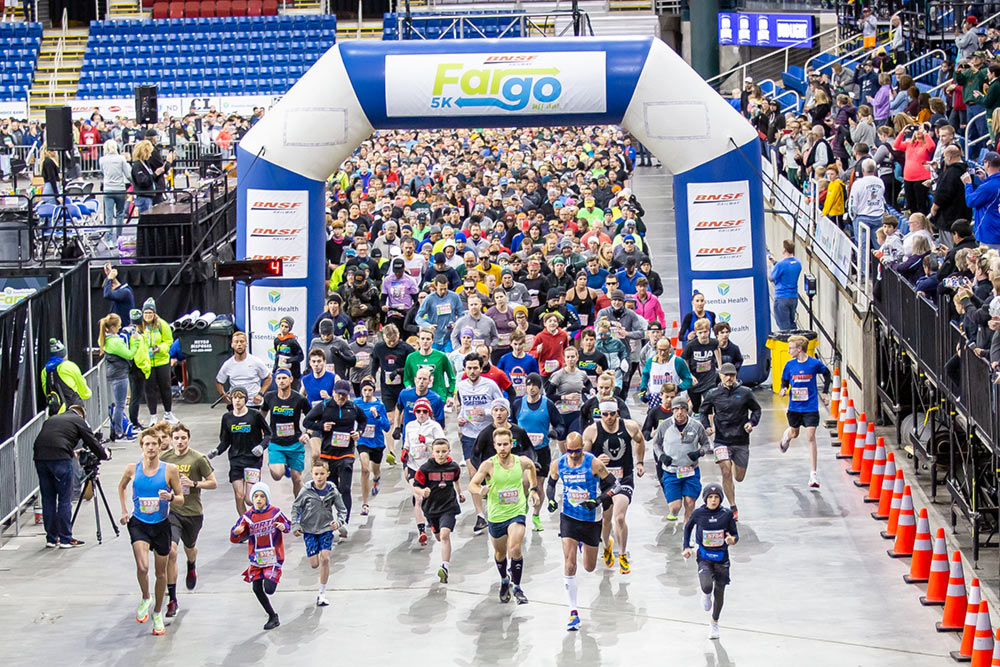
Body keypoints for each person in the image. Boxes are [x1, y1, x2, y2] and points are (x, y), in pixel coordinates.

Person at [545, 431, 616, 631]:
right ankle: (573, 612)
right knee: (569, 565)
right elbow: (550, 485)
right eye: (570, 451)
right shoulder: (558, 464)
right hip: (568, 517)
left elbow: (615, 486)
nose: (574, 455)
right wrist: (550, 500)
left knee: (590, 568)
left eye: (577, 451)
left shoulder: (593, 463)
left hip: (591, 520)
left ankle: (604, 543)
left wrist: (598, 500)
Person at [117, 428, 185, 636]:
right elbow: (121, 487)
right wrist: (124, 510)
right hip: (139, 523)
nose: (150, 448)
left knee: (160, 572)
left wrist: (170, 498)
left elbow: (181, 497)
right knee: (143, 567)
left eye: (154, 444)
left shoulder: (169, 470)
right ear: (141, 447)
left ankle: (157, 612)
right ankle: (146, 596)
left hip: (161, 525)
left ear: (160, 446)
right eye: (146, 444)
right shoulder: (132, 469)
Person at [468, 428, 540, 605]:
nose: (502, 448)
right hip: (496, 515)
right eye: (499, 445)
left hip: (516, 511)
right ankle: (504, 579)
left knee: (515, 548)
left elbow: (532, 467)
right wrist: (481, 490)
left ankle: (517, 587)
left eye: (505, 444)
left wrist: (533, 489)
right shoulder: (488, 465)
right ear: (494, 445)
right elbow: (472, 485)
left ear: (511, 444)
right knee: (500, 553)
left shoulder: (521, 461)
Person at [160, 423, 217, 618]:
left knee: (190, 548)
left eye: (183, 438)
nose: (180, 442)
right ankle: (173, 599)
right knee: (171, 551)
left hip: (193, 512)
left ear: (188, 439)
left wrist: (194, 483)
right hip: (173, 511)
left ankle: (192, 565)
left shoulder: (198, 458)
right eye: (176, 438)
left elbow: (213, 482)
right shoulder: (165, 459)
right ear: (171, 439)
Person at [582, 399, 645, 574]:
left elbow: (640, 441)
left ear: (617, 412)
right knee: (606, 519)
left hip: (624, 479)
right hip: (603, 481)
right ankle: (607, 545)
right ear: (600, 414)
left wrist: (639, 462)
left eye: (612, 414)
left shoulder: (629, 426)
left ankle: (623, 555)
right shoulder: (592, 431)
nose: (609, 418)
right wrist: (595, 461)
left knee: (619, 517)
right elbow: (584, 459)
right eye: (605, 414)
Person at [33, 405, 109, 548]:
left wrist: (70, 451)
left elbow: (55, 438)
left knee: (48, 498)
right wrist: (104, 455)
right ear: (82, 415)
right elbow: (92, 441)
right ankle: (65, 539)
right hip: (60, 459)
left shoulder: (53, 419)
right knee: (64, 499)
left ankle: (51, 538)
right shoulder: (78, 420)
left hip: (40, 458)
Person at [699, 364, 761, 521]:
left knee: (739, 477)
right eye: (726, 375)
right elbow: (703, 411)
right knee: (725, 470)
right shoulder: (713, 394)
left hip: (740, 440)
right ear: (720, 375)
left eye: (732, 375)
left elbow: (756, 409)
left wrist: (751, 423)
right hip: (721, 440)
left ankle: (734, 468)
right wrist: (707, 426)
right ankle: (733, 506)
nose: (729, 378)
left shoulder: (745, 392)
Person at [302, 379, 367, 527]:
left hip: (346, 454)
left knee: (345, 488)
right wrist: (321, 426)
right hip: (327, 455)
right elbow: (306, 422)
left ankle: (344, 521)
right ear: (333, 393)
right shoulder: (324, 406)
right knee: (330, 489)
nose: (341, 398)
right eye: (339, 394)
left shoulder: (353, 408)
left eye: (344, 395)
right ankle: (328, 520)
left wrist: (359, 432)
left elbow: (363, 421)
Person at [230, 482, 290, 630]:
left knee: (269, 589)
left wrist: (284, 527)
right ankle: (272, 616)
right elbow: (234, 536)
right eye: (256, 496)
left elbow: (288, 524)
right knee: (257, 588)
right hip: (257, 560)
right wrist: (236, 533)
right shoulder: (247, 517)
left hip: (273, 558)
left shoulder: (275, 512)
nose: (258, 499)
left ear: (267, 499)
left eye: (262, 496)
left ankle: (274, 574)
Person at [682, 483, 739, 640]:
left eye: (716, 497)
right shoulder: (699, 513)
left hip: (722, 558)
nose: (713, 500)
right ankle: (705, 594)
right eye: (710, 497)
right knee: (707, 587)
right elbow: (688, 528)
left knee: (720, 591)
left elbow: (735, 535)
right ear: (705, 499)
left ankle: (714, 622)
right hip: (705, 557)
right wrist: (687, 546)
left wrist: (731, 540)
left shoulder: (726, 514)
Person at [456, 353, 505, 532]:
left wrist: (485, 412)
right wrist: (461, 419)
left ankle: (495, 509)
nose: (472, 371)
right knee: (473, 473)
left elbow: (502, 403)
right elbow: (462, 408)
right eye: (469, 368)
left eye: (475, 367)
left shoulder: (490, 385)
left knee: (492, 473)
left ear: (481, 367)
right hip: (469, 435)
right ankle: (480, 516)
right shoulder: (461, 386)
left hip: (488, 434)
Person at [778, 334, 833, 489]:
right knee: (795, 433)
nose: (789, 351)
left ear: (799, 349)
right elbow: (785, 380)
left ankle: (813, 475)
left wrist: (825, 392)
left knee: (810, 436)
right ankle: (786, 436)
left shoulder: (814, 364)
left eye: (791, 348)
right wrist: (783, 389)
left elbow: (826, 374)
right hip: (795, 407)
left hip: (810, 407)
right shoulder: (790, 365)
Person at [291, 459, 347, 607]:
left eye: (322, 474)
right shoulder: (306, 490)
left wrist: (339, 522)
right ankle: (313, 557)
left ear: (328, 474)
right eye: (316, 474)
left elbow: (342, 509)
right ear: (312, 475)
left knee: (326, 558)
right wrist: (296, 525)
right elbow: (296, 507)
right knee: (314, 564)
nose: (319, 477)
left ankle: (322, 593)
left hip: (326, 529)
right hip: (309, 530)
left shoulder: (332, 490)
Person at [208, 387, 271, 515]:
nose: (237, 400)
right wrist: (217, 451)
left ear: (246, 399)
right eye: (235, 397)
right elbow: (225, 441)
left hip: (252, 460)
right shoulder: (227, 418)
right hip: (236, 460)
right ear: (231, 399)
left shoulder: (255, 415)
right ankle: (244, 524)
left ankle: (261, 517)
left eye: (240, 397)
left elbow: (269, 434)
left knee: (249, 499)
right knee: (239, 496)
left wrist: (261, 446)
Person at [413, 438, 465, 583]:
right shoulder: (425, 469)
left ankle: (445, 566)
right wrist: (422, 492)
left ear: (449, 451)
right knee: (437, 536)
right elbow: (416, 485)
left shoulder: (453, 467)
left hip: (448, 506)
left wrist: (460, 493)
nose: (441, 454)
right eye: (438, 452)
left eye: (444, 451)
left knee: (444, 535)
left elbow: (456, 480)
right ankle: (444, 562)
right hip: (431, 508)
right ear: (432, 452)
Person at [652, 397, 710, 522]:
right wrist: (661, 456)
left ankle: (687, 532)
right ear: (672, 410)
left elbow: (706, 444)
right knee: (675, 507)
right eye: (676, 409)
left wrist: (699, 453)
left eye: (683, 409)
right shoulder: (664, 425)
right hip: (671, 471)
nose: (680, 412)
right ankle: (676, 502)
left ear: (687, 410)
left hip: (691, 470)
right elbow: (656, 443)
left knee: (690, 503)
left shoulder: (696, 426)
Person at [403, 397, 446, 544]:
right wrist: (404, 450)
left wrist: (427, 441)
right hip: (414, 466)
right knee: (419, 497)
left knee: (430, 497)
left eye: (424, 411)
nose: (421, 414)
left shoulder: (434, 426)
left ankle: (432, 521)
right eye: (418, 411)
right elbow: (407, 443)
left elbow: (443, 444)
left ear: (429, 412)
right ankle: (421, 531)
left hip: (429, 466)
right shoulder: (409, 426)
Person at [262, 369, 311, 497]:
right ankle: (280, 465)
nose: (281, 381)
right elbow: (260, 417)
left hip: (295, 443)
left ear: (290, 379)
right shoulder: (269, 397)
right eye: (278, 378)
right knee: (277, 475)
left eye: (284, 378)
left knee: (297, 478)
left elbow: (312, 418)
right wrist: (263, 433)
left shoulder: (299, 399)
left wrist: (308, 433)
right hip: (276, 443)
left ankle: (298, 507)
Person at [546, 345, 593, 454]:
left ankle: (576, 463)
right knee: (563, 444)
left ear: (577, 358)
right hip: (562, 413)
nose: (571, 359)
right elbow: (549, 395)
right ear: (564, 359)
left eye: (573, 356)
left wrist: (591, 390)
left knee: (575, 439)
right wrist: (565, 397)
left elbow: (588, 383)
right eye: (568, 357)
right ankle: (564, 461)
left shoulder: (581, 374)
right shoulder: (558, 375)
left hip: (577, 412)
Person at [355, 377, 390, 516]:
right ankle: (365, 503)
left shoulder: (379, 405)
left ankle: (377, 478)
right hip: (363, 441)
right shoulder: (356, 404)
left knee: (375, 468)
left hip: (377, 442)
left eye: (370, 390)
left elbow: (387, 427)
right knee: (364, 469)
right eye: (365, 390)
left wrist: (377, 417)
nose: (367, 392)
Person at [98, 313, 135, 442]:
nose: (120, 328)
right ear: (112, 327)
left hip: (115, 374)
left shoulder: (107, 339)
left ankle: (117, 431)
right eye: (118, 326)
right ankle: (119, 433)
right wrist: (135, 341)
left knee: (118, 404)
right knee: (120, 405)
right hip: (119, 375)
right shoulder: (114, 342)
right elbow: (129, 355)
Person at [139, 298, 175, 424]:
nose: (148, 315)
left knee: (165, 387)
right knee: (150, 389)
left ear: (154, 313)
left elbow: (169, 341)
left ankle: (168, 413)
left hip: (162, 361)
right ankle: (153, 416)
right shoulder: (140, 326)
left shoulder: (162, 324)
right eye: (145, 313)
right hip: (147, 362)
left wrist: (160, 348)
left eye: (150, 313)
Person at [216, 331, 272, 408]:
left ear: (246, 344)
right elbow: (219, 382)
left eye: (242, 341)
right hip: (236, 404)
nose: (239, 344)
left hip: (253, 403)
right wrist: (224, 395)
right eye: (236, 342)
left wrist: (260, 394)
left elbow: (268, 377)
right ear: (232, 345)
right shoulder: (228, 364)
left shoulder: (256, 362)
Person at [41, 338, 91, 416]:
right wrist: (87, 394)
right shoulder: (69, 366)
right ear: (64, 355)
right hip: (73, 409)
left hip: (55, 413)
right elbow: (83, 388)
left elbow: (46, 391)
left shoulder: (45, 371)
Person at [682, 318, 721, 415]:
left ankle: (710, 428)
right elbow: (684, 359)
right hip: (695, 380)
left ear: (709, 331)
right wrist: (689, 375)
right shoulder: (690, 346)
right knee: (697, 406)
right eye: (700, 332)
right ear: (696, 333)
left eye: (705, 332)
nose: (703, 335)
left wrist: (720, 367)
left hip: (709, 378)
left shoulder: (713, 343)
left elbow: (717, 349)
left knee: (709, 404)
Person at [962, 151, 1000, 249]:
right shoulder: (990, 184)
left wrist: (968, 185)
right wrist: (985, 179)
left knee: (990, 263)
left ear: (988, 164)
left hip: (990, 234)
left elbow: (971, 201)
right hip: (996, 230)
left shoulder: (987, 187)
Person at [100, 139, 130, 243]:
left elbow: (102, 172)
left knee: (108, 215)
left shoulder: (102, 159)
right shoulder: (121, 159)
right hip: (120, 188)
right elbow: (127, 174)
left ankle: (108, 239)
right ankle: (119, 238)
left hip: (107, 188)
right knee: (120, 213)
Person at [768, 239, 802, 331]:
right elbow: (787, 269)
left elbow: (771, 278)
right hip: (793, 298)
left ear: (784, 249)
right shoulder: (798, 263)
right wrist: (775, 262)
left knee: (784, 328)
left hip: (782, 298)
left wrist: (772, 267)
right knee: (792, 324)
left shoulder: (781, 265)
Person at [272, 316, 305, 392]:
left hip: (293, 373)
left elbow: (301, 356)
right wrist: (275, 368)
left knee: (293, 392)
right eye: (282, 326)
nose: (283, 328)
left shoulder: (292, 341)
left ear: (289, 328)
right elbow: (277, 355)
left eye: (286, 327)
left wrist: (289, 360)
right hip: (281, 371)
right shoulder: (277, 341)